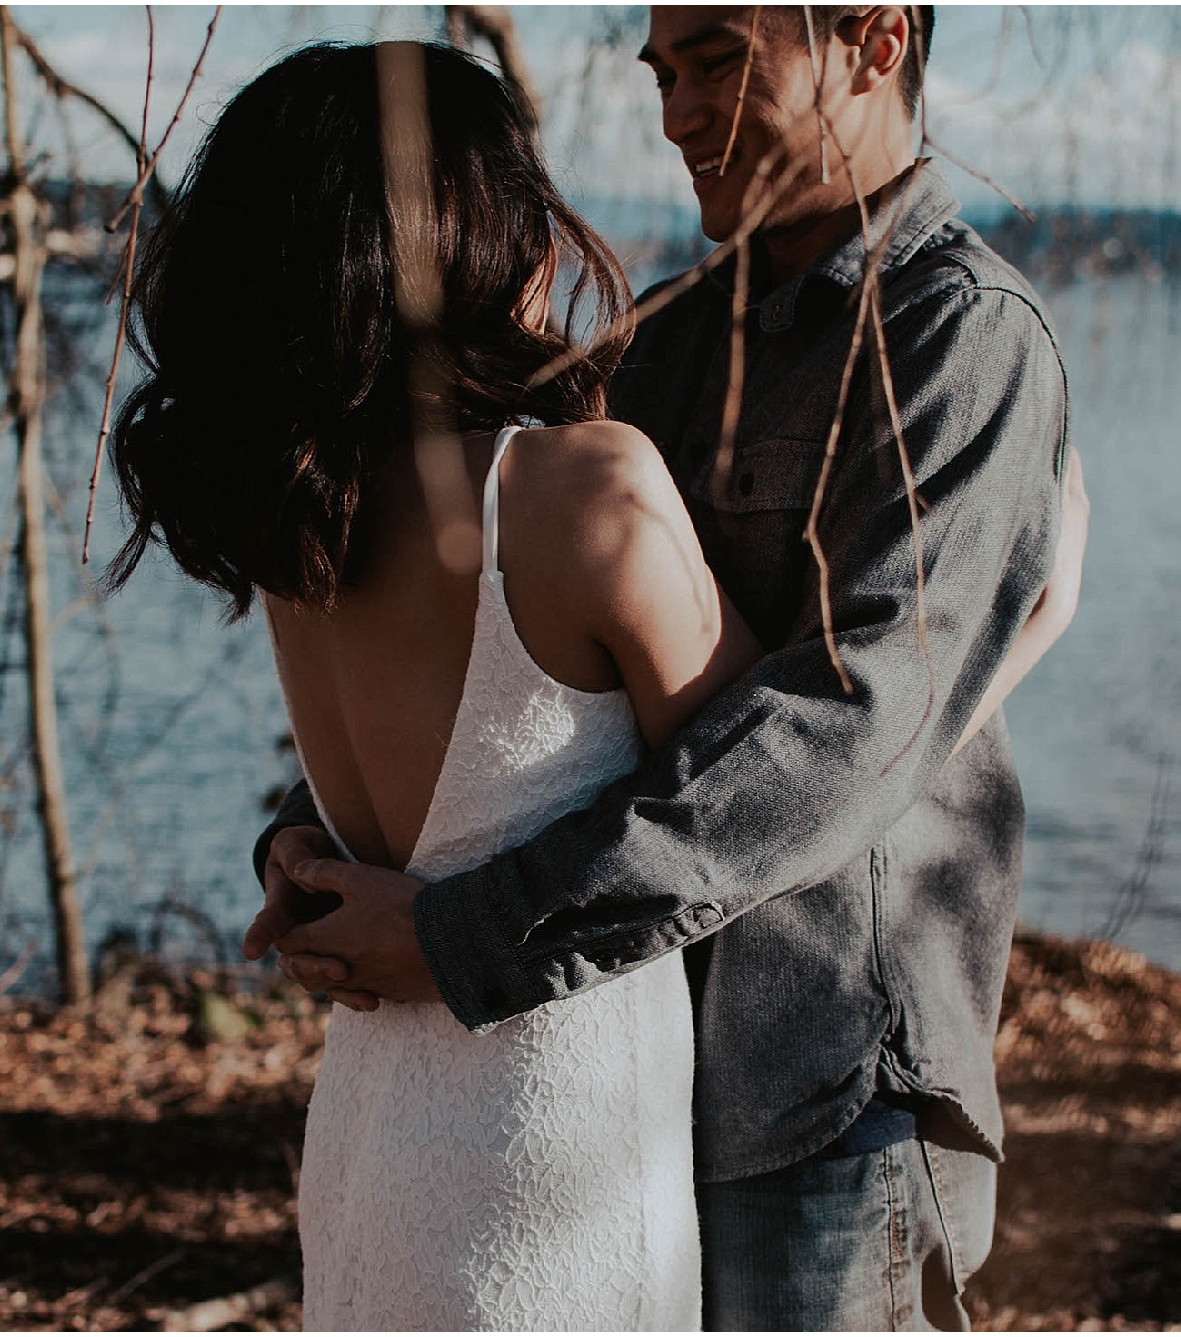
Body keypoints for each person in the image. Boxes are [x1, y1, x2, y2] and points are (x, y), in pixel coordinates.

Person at [255, 6, 1082, 1331]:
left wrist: (460, 934)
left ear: (871, 39)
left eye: (717, 64)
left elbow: (846, 738)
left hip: (821, 1086)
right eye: (663, 71)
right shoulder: (665, 339)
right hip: (621, 1071)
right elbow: (507, 668)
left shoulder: (960, 339)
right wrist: (312, 845)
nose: (675, 113)